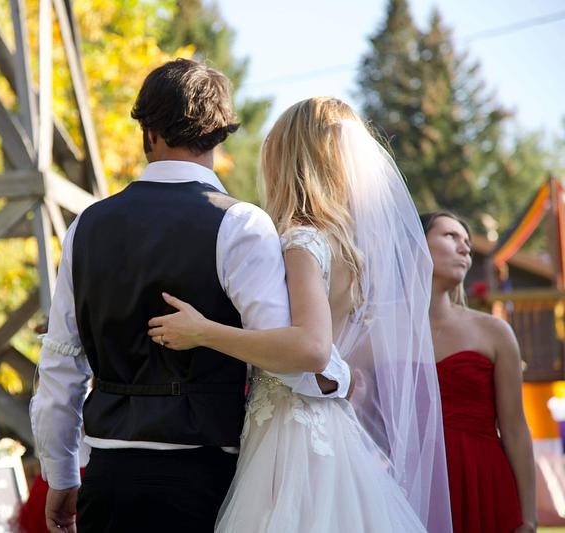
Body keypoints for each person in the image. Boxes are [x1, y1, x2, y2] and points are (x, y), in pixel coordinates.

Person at [29, 59, 350, 533]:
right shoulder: (241, 224)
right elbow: (283, 358)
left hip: (108, 477)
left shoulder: (85, 227)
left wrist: (60, 474)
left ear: (149, 131)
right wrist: (336, 377)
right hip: (202, 478)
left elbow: (60, 365)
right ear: (220, 135)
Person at [148, 97, 453, 532]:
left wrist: (204, 331)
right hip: (332, 429)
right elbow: (336, 355)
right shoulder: (350, 248)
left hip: (291, 440)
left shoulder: (302, 241)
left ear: (288, 160)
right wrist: (344, 378)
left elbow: (311, 348)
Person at [422, 211, 536, 533]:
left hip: (481, 480)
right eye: (451, 236)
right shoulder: (379, 333)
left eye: (468, 244)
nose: (465, 249)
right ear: (414, 244)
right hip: (409, 483)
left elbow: (515, 428)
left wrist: (529, 517)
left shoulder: (495, 332)